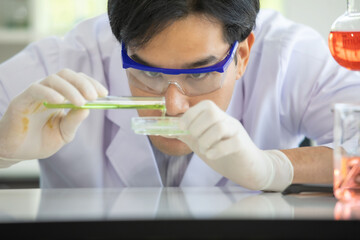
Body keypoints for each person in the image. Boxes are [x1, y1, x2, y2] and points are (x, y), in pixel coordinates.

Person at [0, 0, 359, 190]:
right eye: (149, 72)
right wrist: (3, 149)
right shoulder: (63, 62)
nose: (172, 106)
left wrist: (274, 168)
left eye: (201, 73)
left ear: (243, 55)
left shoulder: (289, 57)